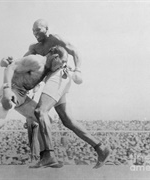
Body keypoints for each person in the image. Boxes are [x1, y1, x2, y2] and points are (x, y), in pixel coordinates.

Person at [24, 19, 110, 169]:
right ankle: (101, 148)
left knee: (40, 111)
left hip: (60, 75)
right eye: (33, 31)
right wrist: (10, 62)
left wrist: (78, 70)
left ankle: (48, 155)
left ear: (47, 29)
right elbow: (23, 61)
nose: (36, 33)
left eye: (39, 29)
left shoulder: (55, 39)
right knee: (68, 121)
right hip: (52, 80)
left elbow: (74, 51)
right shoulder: (35, 48)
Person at [0, 46, 67, 168]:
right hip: (12, 90)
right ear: (55, 56)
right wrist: (7, 90)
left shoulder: (47, 68)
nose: (62, 65)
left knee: (45, 120)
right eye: (62, 62)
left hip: (22, 97)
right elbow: (10, 67)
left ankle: (45, 157)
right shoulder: (36, 60)